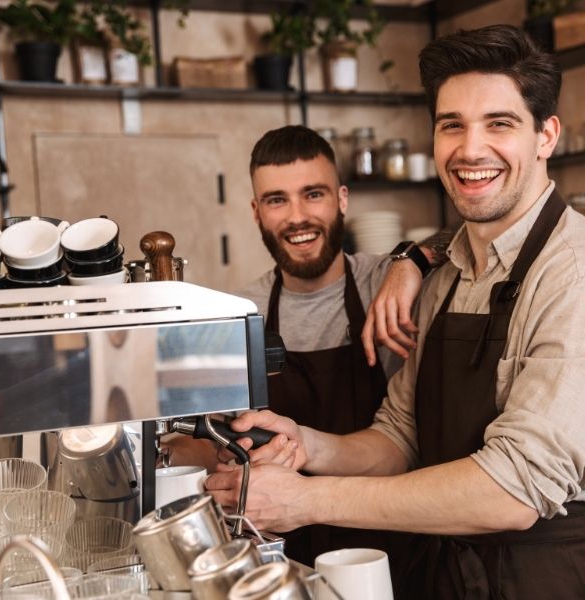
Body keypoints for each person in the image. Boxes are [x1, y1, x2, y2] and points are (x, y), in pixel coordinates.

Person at [206, 24, 585, 599]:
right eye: (452, 126)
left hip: (541, 582)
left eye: (499, 123)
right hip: (443, 577)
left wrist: (303, 499)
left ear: (546, 135)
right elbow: (402, 435)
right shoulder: (444, 272)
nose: (470, 150)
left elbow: (514, 491)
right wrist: (306, 445)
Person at [168, 124, 451, 579]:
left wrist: (411, 260)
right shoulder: (239, 314)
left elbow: (466, 231)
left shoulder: (387, 283)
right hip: (286, 555)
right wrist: (225, 450)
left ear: (342, 199)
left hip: (395, 545)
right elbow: (192, 440)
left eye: (313, 194)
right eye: (277, 200)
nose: (297, 217)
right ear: (256, 212)